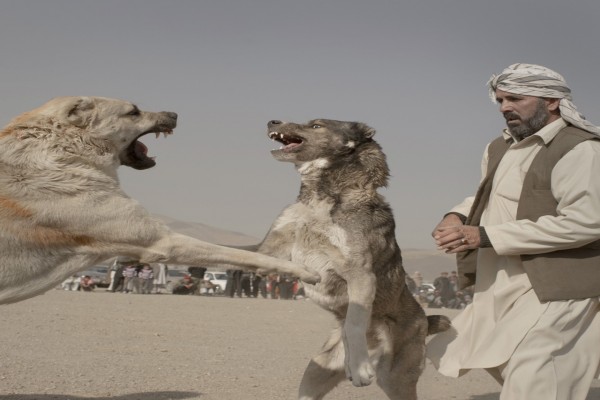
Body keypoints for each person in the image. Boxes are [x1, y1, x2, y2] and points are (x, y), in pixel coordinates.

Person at [427, 63, 600, 400]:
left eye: (515, 99)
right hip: (505, 278)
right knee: (488, 354)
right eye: (500, 100)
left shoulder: (581, 149)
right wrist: (455, 216)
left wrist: (486, 236)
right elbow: (488, 195)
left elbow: (587, 221)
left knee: (535, 368)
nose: (504, 107)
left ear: (550, 101)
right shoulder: (500, 147)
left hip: (559, 281)